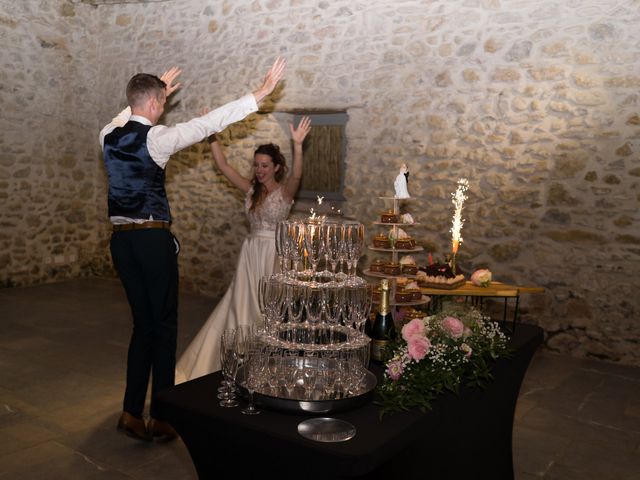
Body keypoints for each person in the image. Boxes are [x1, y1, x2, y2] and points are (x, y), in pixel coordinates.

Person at [99, 57, 286, 442]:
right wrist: (258, 95)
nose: (163, 109)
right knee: (164, 327)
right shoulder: (158, 138)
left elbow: (125, 116)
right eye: (162, 103)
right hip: (152, 240)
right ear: (154, 104)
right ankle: (163, 416)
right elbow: (209, 123)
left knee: (142, 326)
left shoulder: (107, 135)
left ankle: (131, 412)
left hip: (120, 243)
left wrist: (151, 93)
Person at [175, 116, 311, 384]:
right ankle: (236, 359)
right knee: (241, 306)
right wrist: (212, 133)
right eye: (256, 165)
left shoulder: (284, 193)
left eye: (265, 165)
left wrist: (297, 146)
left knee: (268, 308)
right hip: (250, 254)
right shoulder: (250, 190)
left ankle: (267, 364)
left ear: (276, 167)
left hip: (273, 254)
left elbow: (297, 174)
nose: (259, 170)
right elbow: (224, 166)